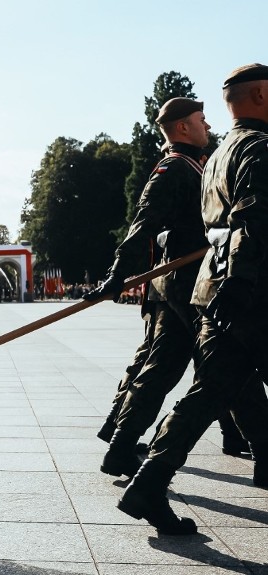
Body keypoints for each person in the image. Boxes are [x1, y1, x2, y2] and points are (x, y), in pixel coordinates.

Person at [118, 65, 268, 535]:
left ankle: (146, 484)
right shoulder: (258, 150)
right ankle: (138, 471)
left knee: (209, 395)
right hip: (248, 292)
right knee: (204, 393)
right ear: (261, 96)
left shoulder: (221, 152)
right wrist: (241, 284)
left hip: (216, 289)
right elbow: (252, 224)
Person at [84, 97, 252, 480]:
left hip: (187, 276)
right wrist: (117, 274)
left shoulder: (196, 166)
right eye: (201, 120)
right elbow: (143, 223)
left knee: (167, 366)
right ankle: (250, 440)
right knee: (223, 361)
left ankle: (122, 446)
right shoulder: (174, 168)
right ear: (182, 128)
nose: (208, 127)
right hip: (184, 279)